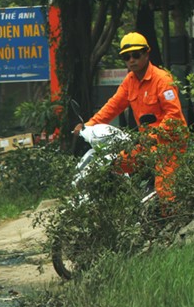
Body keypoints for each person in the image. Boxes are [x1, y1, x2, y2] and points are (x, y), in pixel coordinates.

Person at [72, 32, 187, 201]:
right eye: (126, 57)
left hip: (169, 144)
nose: (131, 60)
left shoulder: (162, 80)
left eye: (136, 55)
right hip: (144, 143)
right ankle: (125, 207)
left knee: (166, 191)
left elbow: (174, 116)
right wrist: (88, 126)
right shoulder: (130, 81)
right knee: (112, 166)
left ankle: (169, 223)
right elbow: (113, 106)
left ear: (147, 53)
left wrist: (153, 136)